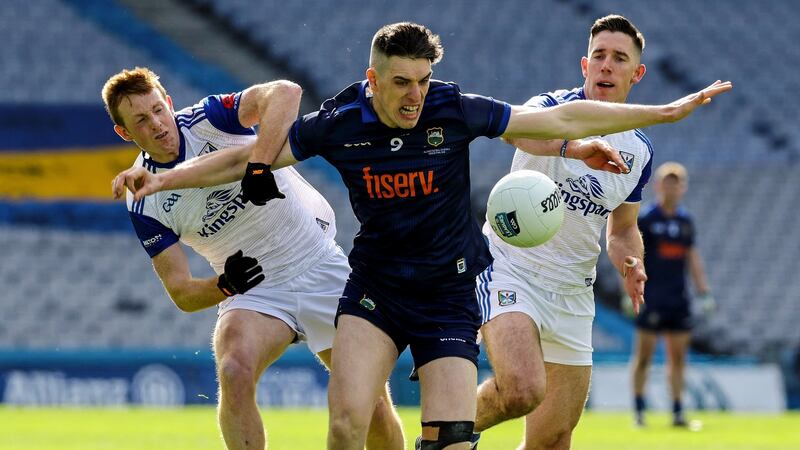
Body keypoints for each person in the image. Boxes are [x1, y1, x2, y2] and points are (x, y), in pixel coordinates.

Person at [112, 22, 730, 450]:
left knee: (465, 438)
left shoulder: (451, 107)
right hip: (377, 288)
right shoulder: (339, 122)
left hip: (448, 292)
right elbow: (239, 159)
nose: (415, 95)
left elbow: (558, 121)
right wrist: (161, 179)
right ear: (372, 78)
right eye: (401, 82)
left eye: (423, 80)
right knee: (345, 421)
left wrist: (664, 113)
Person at [103, 67, 404, 450]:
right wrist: (224, 285)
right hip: (254, 292)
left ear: (170, 103)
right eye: (141, 121)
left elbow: (287, 92)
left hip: (317, 263)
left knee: (371, 406)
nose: (158, 124)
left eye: (159, 109)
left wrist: (258, 165)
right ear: (124, 133)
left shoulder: (209, 119)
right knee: (233, 369)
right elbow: (181, 292)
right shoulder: (143, 199)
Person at [473, 15, 693, 449]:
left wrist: (632, 260)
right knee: (519, 389)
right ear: (584, 65)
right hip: (511, 270)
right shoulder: (550, 106)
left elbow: (623, 227)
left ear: (637, 73)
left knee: (554, 439)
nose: (607, 65)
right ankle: (444, 429)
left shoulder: (640, 150)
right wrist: (574, 148)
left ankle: (447, 428)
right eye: (599, 56)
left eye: (619, 58)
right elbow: (514, 132)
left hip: (574, 291)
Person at [632, 161, 712, 427]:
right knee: (644, 356)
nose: (672, 186)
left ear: (683, 187)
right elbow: (633, 255)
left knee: (677, 358)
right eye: (667, 181)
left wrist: (703, 291)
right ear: (658, 186)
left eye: (676, 182)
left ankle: (678, 412)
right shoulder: (646, 218)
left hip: (678, 298)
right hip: (651, 296)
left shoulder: (685, 221)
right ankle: (639, 410)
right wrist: (628, 289)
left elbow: (692, 256)